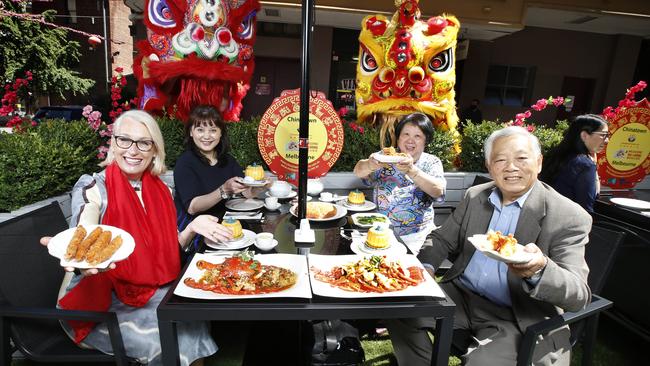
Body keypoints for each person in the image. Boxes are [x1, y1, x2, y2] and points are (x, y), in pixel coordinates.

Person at [387, 126, 592, 366]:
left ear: (539, 162)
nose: (511, 167)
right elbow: (441, 239)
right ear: (489, 166)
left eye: (521, 158)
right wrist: (427, 267)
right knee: (399, 307)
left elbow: (579, 295)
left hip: (516, 314)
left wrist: (540, 269)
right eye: (500, 160)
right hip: (461, 296)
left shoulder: (568, 215)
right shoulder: (476, 196)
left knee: (482, 362)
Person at [42, 110, 232, 365]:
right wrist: (82, 255)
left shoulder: (162, 189)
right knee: (179, 340)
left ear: (154, 149)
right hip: (103, 304)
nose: (133, 150)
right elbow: (84, 224)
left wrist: (192, 228)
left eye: (144, 142)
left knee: (192, 323)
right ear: (113, 143)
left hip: (153, 291)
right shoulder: (94, 186)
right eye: (124, 140)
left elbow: (168, 249)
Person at [174, 105, 266, 252]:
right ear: (191, 132)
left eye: (213, 130)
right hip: (199, 232)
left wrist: (259, 188)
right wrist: (223, 190)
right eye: (200, 130)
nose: (206, 136)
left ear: (220, 133)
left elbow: (244, 192)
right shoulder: (185, 163)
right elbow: (192, 207)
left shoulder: (227, 160)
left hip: (229, 225)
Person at [353, 112, 446, 253]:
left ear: (426, 140)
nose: (410, 140)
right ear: (398, 137)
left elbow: (438, 191)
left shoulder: (431, 162)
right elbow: (358, 171)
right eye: (406, 134)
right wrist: (370, 165)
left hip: (416, 238)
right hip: (380, 232)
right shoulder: (386, 157)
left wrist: (412, 170)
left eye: (417, 136)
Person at [540, 114, 609, 212]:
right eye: (603, 135)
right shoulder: (585, 165)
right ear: (584, 135)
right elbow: (586, 208)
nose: (607, 140)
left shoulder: (554, 155)